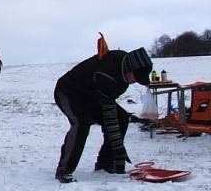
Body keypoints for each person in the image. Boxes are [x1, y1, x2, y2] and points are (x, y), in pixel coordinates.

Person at [54, 47, 153, 183]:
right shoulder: (107, 74)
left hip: (93, 96)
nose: (135, 82)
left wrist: (117, 154)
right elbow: (109, 116)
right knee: (81, 123)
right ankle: (64, 169)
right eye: (137, 77)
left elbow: (111, 111)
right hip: (68, 93)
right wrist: (119, 151)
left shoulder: (125, 66)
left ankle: (105, 163)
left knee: (121, 118)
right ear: (130, 69)